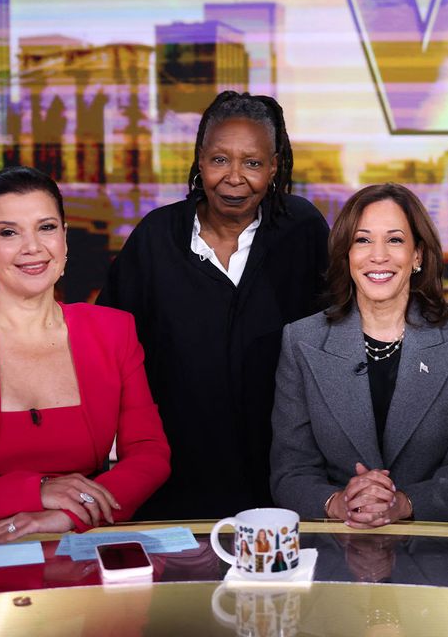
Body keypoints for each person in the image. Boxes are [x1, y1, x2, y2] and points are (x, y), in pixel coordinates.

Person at [0, 167, 170, 543]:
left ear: (65, 239)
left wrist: (70, 514)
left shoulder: (113, 331)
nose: (32, 246)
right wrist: (36, 491)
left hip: (77, 547)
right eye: (8, 232)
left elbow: (149, 456)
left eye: (47, 227)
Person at [97, 91, 329, 519]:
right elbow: (107, 353)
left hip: (282, 484)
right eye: (220, 160)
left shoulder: (304, 231)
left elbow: (337, 339)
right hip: (173, 483)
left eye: (253, 163)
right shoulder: (154, 238)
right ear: (199, 160)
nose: (234, 177)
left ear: (275, 166)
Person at [271, 183, 448, 526]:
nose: (378, 255)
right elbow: (290, 472)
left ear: (418, 255)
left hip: (442, 539)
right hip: (339, 542)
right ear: (346, 254)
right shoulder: (302, 341)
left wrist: (404, 503)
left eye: (394, 240)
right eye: (363, 240)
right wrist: (339, 503)